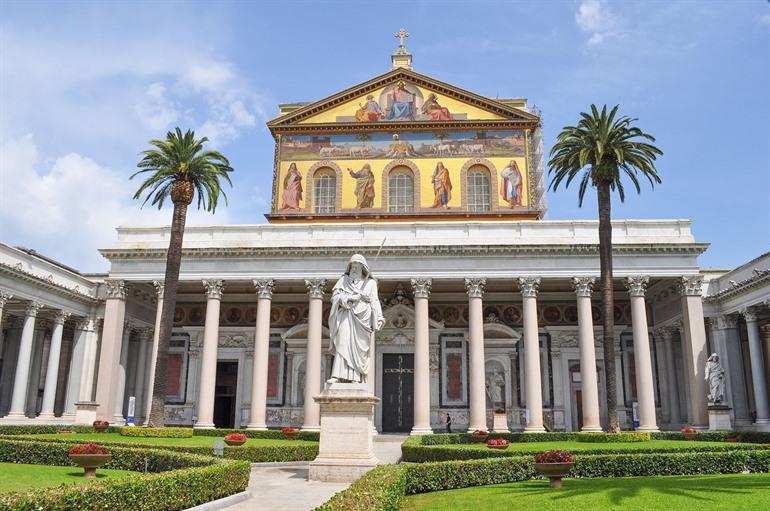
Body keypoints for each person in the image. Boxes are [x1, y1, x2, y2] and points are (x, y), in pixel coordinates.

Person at [328, 254, 385, 383]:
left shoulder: (370, 283)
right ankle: (337, 375)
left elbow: (374, 301)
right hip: (346, 316)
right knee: (343, 342)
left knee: (359, 349)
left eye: (357, 267)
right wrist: (349, 298)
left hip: (362, 318)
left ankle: (356, 377)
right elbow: (335, 297)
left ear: (363, 268)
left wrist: (379, 317)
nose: (354, 269)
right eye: (353, 266)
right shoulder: (343, 281)